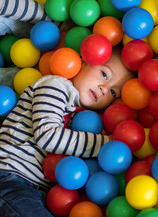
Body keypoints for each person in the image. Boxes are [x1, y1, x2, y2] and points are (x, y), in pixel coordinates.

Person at [0, 46, 134, 217]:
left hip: (36, 192)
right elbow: (48, 136)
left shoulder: (88, 119)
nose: (104, 89)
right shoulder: (56, 85)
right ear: (84, 61)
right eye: (105, 74)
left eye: (113, 92)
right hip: (9, 176)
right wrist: (107, 144)